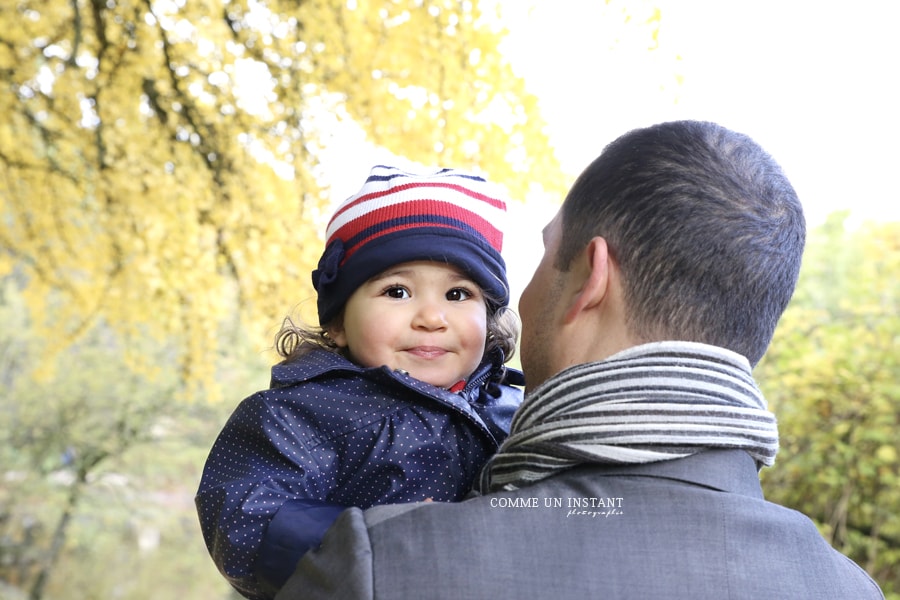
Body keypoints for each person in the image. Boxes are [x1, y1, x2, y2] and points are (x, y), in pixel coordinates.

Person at [274, 121, 884, 599]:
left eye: (542, 257)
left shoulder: (382, 567)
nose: (517, 299)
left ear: (591, 277)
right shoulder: (854, 589)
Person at [195, 165, 524, 600]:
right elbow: (245, 516)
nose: (431, 317)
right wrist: (377, 542)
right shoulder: (302, 415)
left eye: (458, 294)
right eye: (397, 292)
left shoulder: (517, 409)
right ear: (338, 324)